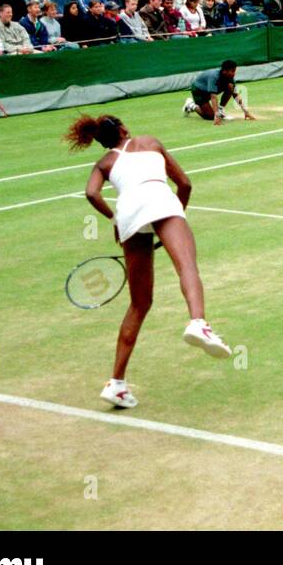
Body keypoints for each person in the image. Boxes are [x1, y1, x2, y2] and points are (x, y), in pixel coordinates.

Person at [67, 114, 231, 409]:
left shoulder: (104, 163)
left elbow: (91, 193)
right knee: (187, 266)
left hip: (129, 212)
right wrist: (174, 217)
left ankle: (116, 384)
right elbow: (185, 184)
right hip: (159, 200)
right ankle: (198, 323)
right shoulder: (150, 142)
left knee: (139, 303)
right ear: (123, 129)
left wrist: (114, 217)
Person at [184, 59, 258, 125]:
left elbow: (235, 94)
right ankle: (191, 105)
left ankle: (220, 110)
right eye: (232, 71)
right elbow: (213, 97)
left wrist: (246, 112)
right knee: (210, 116)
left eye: (234, 71)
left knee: (230, 87)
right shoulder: (214, 77)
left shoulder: (230, 78)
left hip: (208, 90)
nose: (234, 73)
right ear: (225, 71)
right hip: (198, 91)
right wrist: (216, 115)